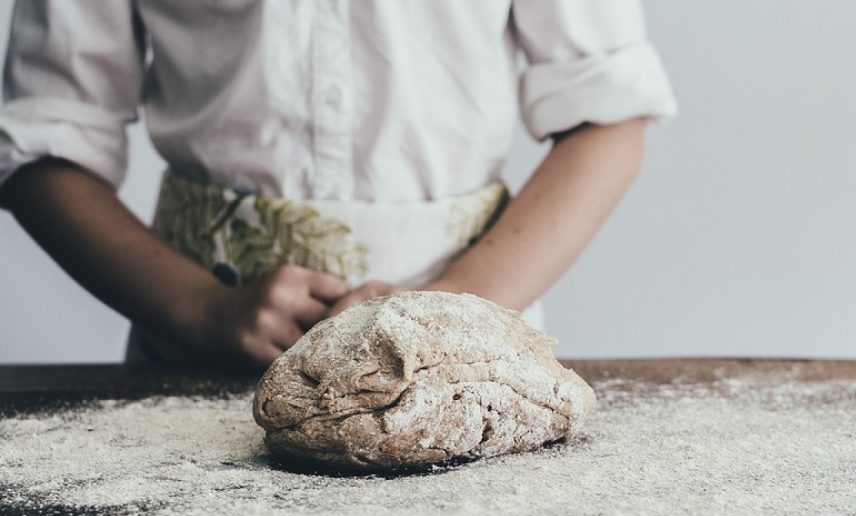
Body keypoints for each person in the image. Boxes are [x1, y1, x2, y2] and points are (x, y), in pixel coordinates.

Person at [0, 1, 676, 366]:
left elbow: (607, 120)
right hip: (197, 353)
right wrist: (201, 309)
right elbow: (41, 140)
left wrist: (446, 310)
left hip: (466, 352)